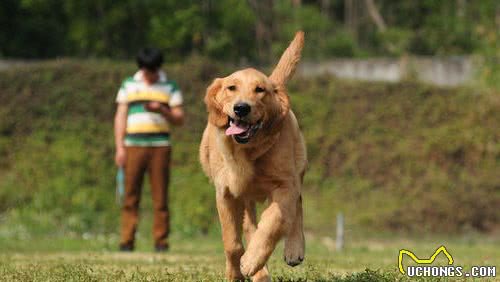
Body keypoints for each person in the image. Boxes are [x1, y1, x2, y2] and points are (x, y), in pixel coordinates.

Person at [114, 47, 184, 252]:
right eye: (146, 70)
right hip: (132, 146)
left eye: (152, 70)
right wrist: (119, 147)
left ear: (158, 68)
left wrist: (163, 110)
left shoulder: (169, 86)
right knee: (130, 195)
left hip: (160, 147)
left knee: (160, 196)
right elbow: (120, 117)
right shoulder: (128, 85)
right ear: (141, 68)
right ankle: (127, 240)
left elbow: (179, 118)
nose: (149, 75)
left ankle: (161, 241)